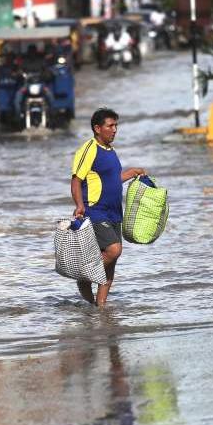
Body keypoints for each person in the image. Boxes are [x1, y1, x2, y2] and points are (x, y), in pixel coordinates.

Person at [71, 108, 146, 307]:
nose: (114, 130)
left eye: (116, 126)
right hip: (95, 211)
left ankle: (100, 306)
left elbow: (112, 180)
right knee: (114, 250)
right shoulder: (89, 149)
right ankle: (85, 278)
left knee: (112, 262)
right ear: (97, 128)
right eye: (110, 126)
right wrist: (79, 205)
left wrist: (132, 172)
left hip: (114, 212)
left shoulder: (111, 151)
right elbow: (76, 180)